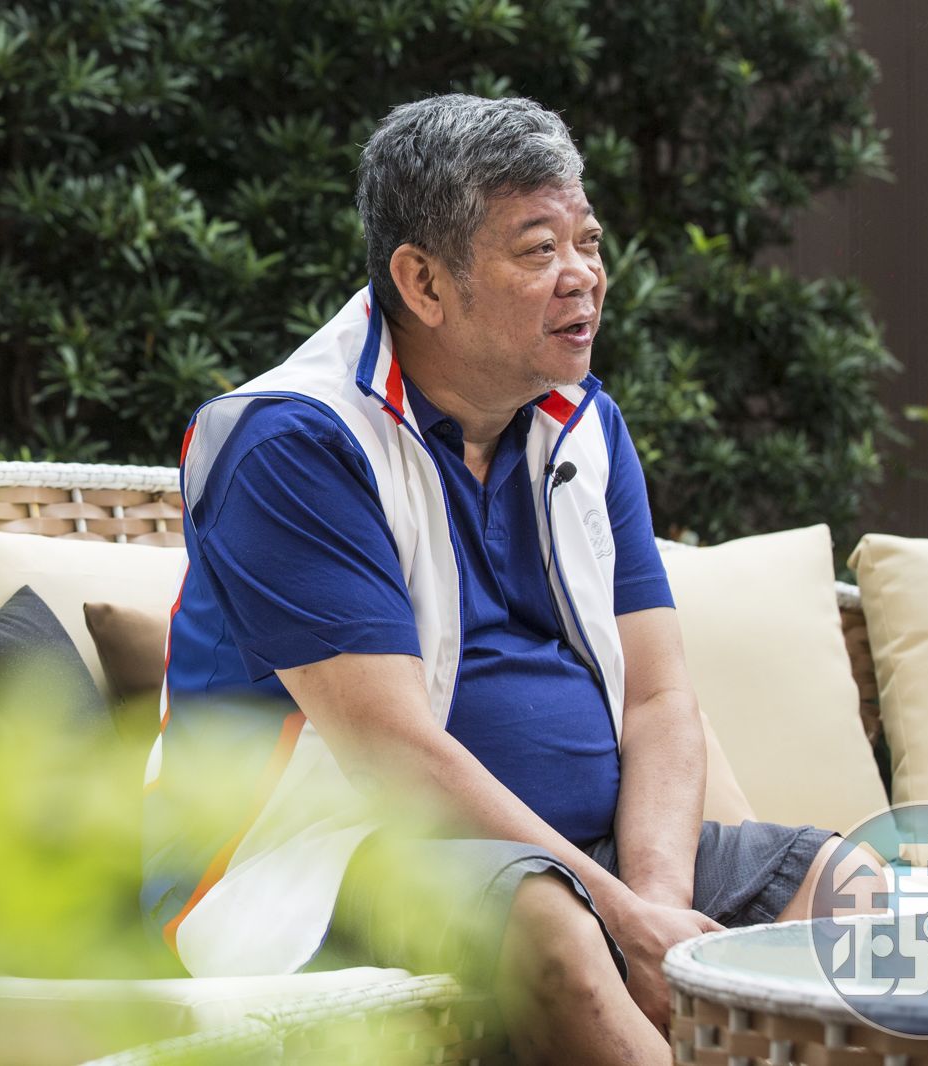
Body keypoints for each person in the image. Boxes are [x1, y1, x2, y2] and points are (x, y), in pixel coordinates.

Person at [141, 93, 842, 1064]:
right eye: (538, 249)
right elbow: (392, 751)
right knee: (552, 924)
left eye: (587, 242)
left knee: (850, 891)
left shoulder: (583, 423)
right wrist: (617, 917)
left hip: (587, 862)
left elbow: (658, 697)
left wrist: (652, 910)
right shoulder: (292, 442)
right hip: (314, 867)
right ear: (423, 282)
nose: (582, 276)